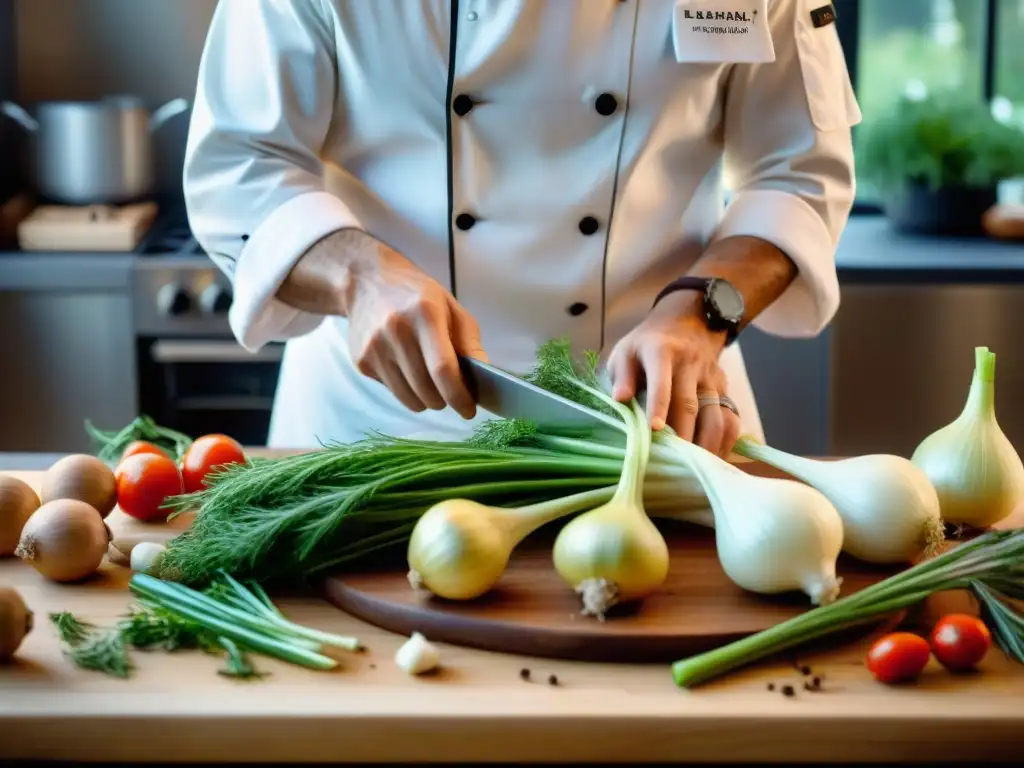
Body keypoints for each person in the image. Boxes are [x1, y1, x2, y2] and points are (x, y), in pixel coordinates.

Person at [183, 0, 860, 457]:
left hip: (654, 417)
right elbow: (240, 161)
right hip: (378, 426)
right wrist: (360, 278)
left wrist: (700, 315)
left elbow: (797, 174)